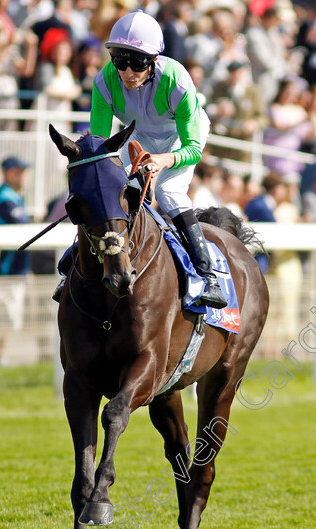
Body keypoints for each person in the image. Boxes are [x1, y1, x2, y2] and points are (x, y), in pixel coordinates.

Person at [81, 9, 226, 309]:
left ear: (154, 60)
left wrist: (163, 160)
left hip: (180, 137)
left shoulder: (177, 82)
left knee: (167, 192)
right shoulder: (104, 82)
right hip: (139, 135)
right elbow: (101, 145)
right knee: (110, 191)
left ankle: (207, 274)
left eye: (137, 63)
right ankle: (76, 263)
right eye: (120, 61)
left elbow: (194, 149)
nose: (128, 72)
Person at [0, 156, 31, 276]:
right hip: (6, 270)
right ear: (11, 174)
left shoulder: (10, 196)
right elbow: (23, 228)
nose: (26, 176)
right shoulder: (4, 198)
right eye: (22, 172)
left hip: (13, 268)